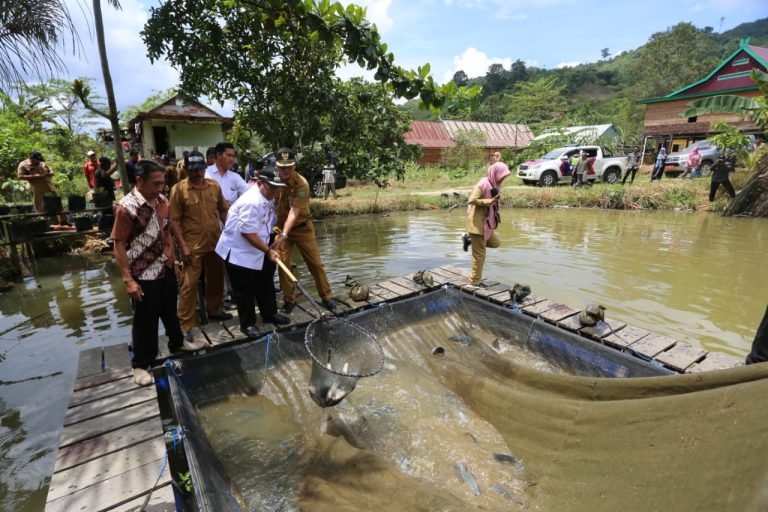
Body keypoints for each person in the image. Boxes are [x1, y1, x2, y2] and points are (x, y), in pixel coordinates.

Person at [112, 160, 207, 386]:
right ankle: (141, 364)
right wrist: (127, 279)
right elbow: (118, 244)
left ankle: (177, 343)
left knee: (169, 310)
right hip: (142, 272)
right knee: (146, 320)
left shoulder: (163, 200)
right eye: (155, 184)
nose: (160, 188)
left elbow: (170, 227)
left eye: (163, 183)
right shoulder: (126, 208)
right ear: (139, 181)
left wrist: (179, 250)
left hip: (164, 265)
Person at [215, 169, 291, 338]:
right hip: (238, 251)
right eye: (271, 187)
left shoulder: (268, 197)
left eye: (278, 188)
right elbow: (247, 232)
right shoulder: (252, 201)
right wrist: (268, 250)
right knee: (244, 289)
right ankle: (247, 324)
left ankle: (269, 314)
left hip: (258, 247)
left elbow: (265, 222)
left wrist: (274, 241)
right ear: (259, 183)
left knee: (265, 281)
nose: (275, 191)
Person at [170, 150, 231, 344]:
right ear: (187, 169)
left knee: (216, 278)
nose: (198, 173)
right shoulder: (179, 190)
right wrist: (182, 246)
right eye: (194, 170)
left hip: (215, 241)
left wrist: (229, 234)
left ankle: (215, 310)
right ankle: (185, 324)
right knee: (189, 284)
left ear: (205, 168)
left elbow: (222, 210)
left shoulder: (214, 186)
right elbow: (174, 221)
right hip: (192, 244)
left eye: (201, 169)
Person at [273, 147, 339, 313]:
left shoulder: (302, 184)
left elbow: (294, 213)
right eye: (282, 167)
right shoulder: (272, 181)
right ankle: (289, 300)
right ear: (277, 166)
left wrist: (284, 234)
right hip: (280, 229)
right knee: (283, 264)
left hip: (302, 228)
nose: (285, 170)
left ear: (294, 166)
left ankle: (327, 297)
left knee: (316, 263)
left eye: (289, 167)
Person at [464, 161, 511, 287]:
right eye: (502, 177)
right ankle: (473, 282)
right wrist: (488, 201)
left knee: (495, 243)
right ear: (495, 174)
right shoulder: (483, 183)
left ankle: (469, 240)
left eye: (504, 177)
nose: (502, 179)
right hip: (477, 224)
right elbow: (471, 200)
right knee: (480, 254)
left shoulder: (493, 184)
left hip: (486, 225)